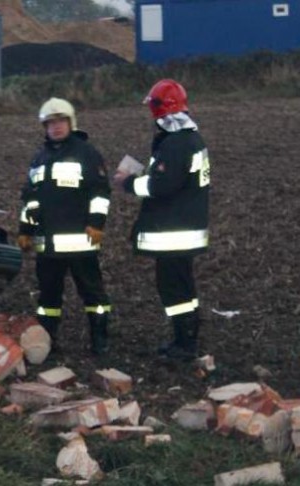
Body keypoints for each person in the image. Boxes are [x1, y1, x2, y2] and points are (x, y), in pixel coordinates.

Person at [113, 79, 210, 361]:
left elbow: (161, 186)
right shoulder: (191, 139)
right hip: (186, 228)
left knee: (173, 288)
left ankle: (184, 344)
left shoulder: (176, 144)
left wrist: (129, 183)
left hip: (174, 231)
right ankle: (187, 336)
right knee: (184, 286)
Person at [17, 98, 112, 355]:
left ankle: (100, 339)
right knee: (48, 299)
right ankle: (48, 341)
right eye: (51, 123)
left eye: (60, 122)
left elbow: (100, 193)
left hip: (81, 241)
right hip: (47, 245)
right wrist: (25, 230)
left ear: (71, 123)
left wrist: (96, 223)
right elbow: (30, 199)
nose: (56, 127)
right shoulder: (40, 158)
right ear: (45, 127)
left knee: (93, 294)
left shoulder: (86, 153)